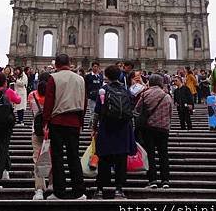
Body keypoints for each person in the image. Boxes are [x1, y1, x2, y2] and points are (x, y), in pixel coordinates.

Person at [43, 53, 86, 200]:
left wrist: (45, 122)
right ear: (70, 63)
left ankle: (59, 192)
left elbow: (48, 103)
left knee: (57, 157)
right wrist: (81, 121)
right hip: (74, 122)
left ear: (56, 65)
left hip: (57, 122)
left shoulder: (53, 78)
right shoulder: (80, 79)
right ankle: (79, 192)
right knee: (74, 156)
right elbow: (84, 102)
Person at [92, 65, 136, 200]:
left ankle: (100, 190)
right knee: (121, 160)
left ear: (107, 76)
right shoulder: (127, 91)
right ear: (120, 76)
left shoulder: (103, 90)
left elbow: (97, 112)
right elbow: (131, 111)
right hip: (123, 130)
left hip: (107, 129)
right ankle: (119, 190)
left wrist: (94, 128)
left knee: (104, 159)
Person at [134, 73, 173, 189]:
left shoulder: (145, 94)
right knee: (163, 154)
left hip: (149, 128)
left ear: (150, 82)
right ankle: (165, 180)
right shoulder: (167, 96)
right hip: (163, 129)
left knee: (150, 154)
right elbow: (170, 113)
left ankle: (153, 180)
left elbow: (137, 110)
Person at [28, 72, 52, 200]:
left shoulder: (31, 95)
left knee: (37, 159)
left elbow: (31, 109)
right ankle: (52, 185)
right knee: (53, 157)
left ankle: (39, 190)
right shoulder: (53, 96)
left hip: (36, 131)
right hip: (52, 131)